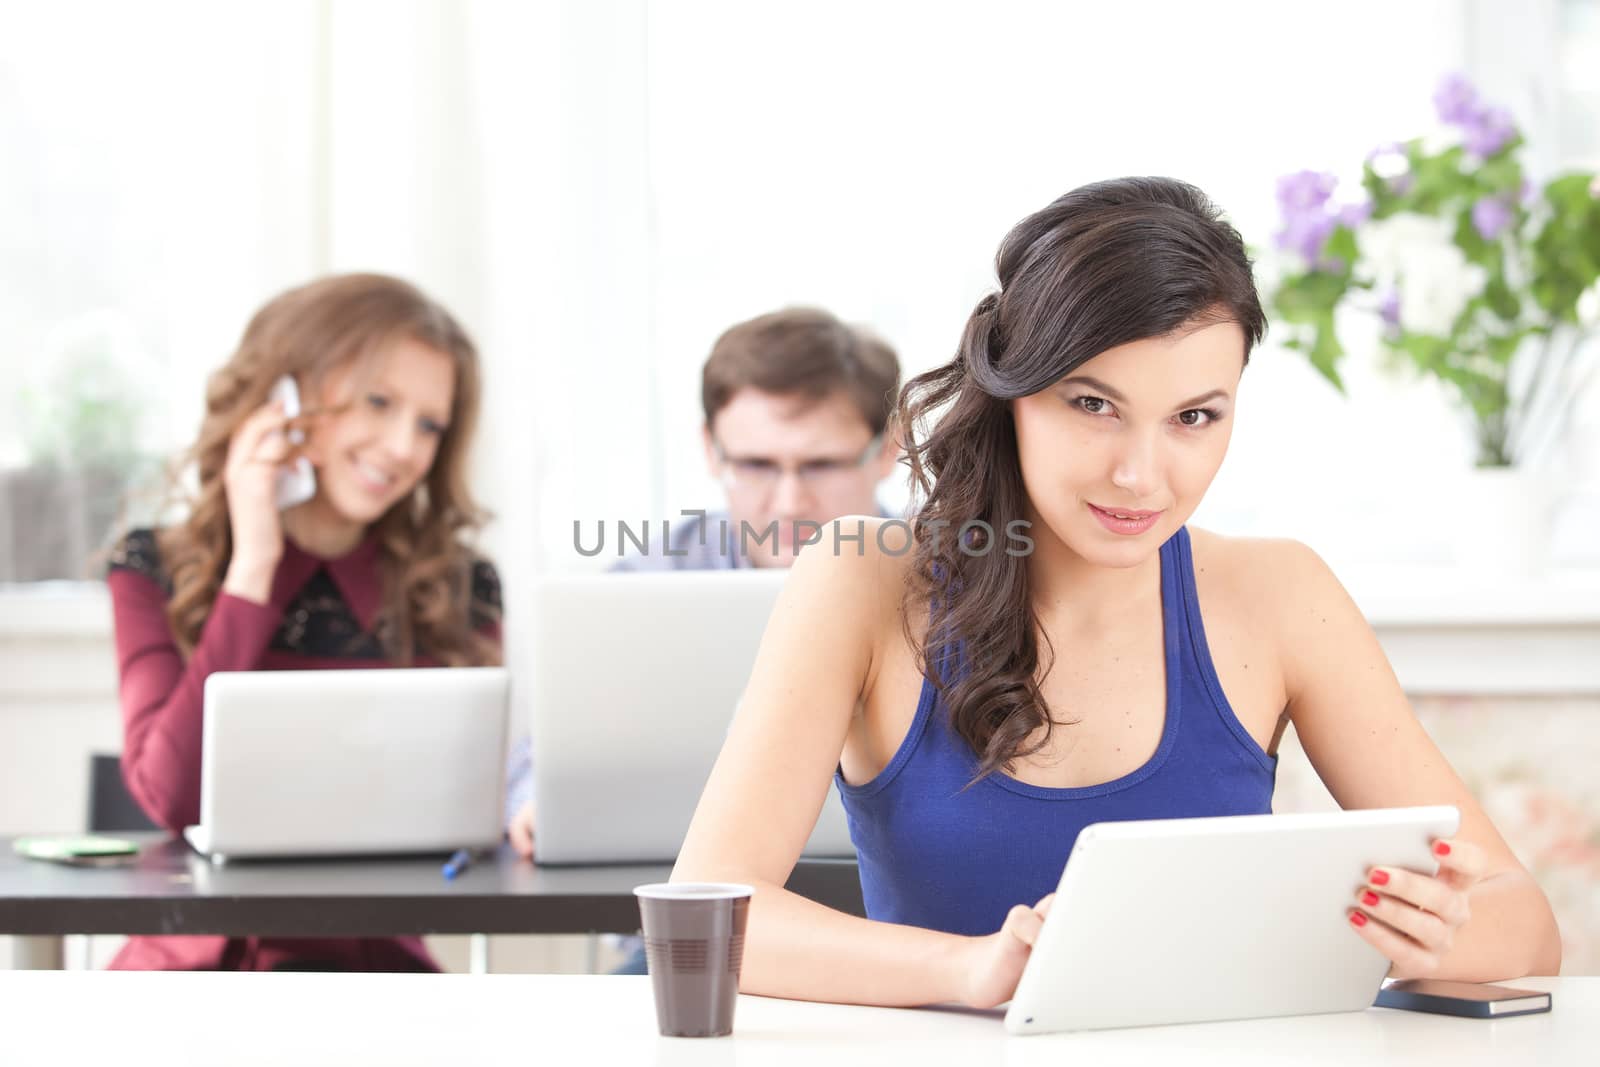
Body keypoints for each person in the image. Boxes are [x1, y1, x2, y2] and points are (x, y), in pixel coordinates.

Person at [670, 177, 1563, 1006]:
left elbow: (1524, 920)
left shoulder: (1282, 593)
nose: (1141, 474)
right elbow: (712, 915)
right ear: (1012, 389)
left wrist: (1434, 935)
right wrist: (971, 967)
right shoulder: (862, 578)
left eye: (1194, 418)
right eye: (1092, 404)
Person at [105, 273, 502, 971]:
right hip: (193, 971)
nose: (404, 446)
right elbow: (170, 795)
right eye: (378, 402)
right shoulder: (153, 565)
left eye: (429, 423)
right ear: (283, 395)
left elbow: (455, 810)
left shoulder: (454, 588)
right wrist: (254, 564)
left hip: (373, 968)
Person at [502, 307, 901, 970]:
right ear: (710, 449)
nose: (788, 500)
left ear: (888, 449)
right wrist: (533, 799)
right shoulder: (643, 586)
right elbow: (545, 752)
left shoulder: (953, 580)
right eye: (755, 464)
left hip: (896, 924)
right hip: (697, 930)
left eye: (822, 464)